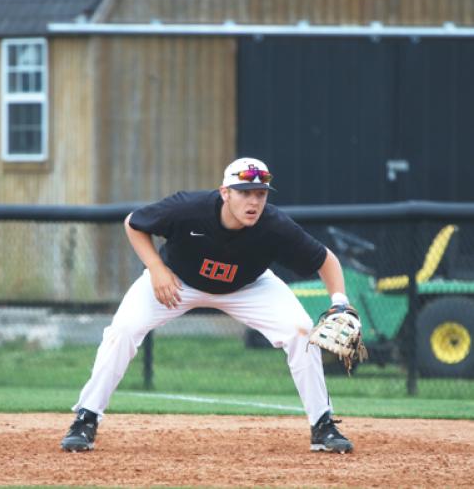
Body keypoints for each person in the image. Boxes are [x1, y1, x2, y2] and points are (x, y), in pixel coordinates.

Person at [61, 157, 357, 454]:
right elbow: (134, 223)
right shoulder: (189, 209)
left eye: (260, 194)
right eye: (244, 192)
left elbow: (324, 259)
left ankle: (322, 424)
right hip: (176, 281)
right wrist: (155, 268)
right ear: (225, 193)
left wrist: (340, 302)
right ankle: (86, 417)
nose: (253, 201)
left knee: (302, 331)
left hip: (248, 287)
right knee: (123, 330)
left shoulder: (274, 225)